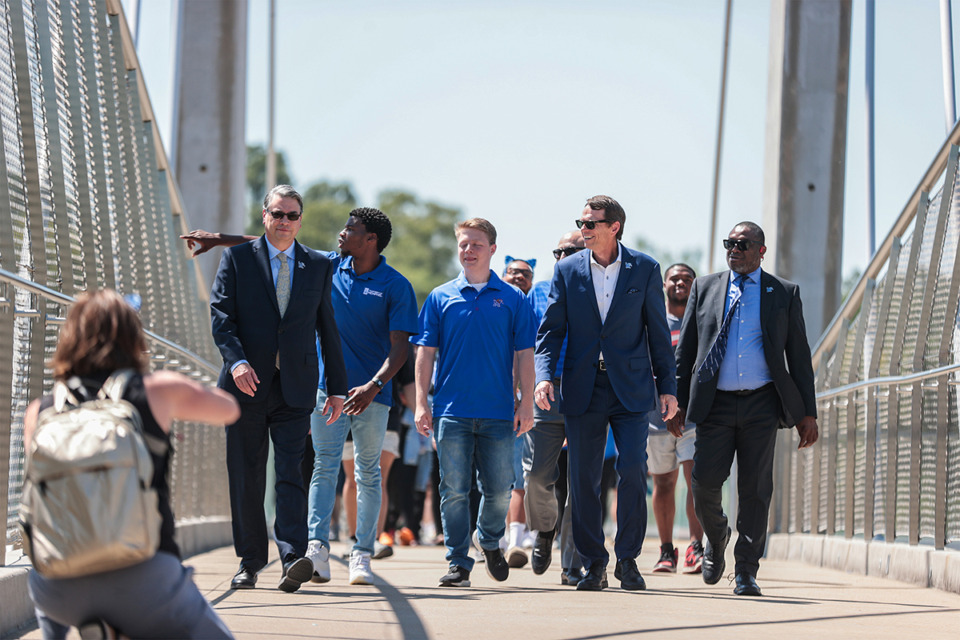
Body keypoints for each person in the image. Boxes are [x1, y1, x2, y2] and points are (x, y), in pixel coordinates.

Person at [185, 206, 418, 586]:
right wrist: (217, 240)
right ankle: (317, 550)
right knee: (323, 468)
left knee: (368, 473)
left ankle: (361, 554)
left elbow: (400, 349)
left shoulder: (395, 285)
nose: (342, 234)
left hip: (373, 395)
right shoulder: (329, 266)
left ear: (371, 240)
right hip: (327, 392)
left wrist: (374, 385)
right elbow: (276, 247)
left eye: (351, 229)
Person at [24, 289, 239, 639]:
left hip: (58, 589)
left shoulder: (41, 410)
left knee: (53, 575)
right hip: (145, 583)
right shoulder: (156, 390)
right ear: (134, 337)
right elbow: (229, 409)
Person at [534, 195, 677, 592]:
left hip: (631, 389)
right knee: (583, 480)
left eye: (591, 223)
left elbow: (658, 335)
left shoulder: (645, 268)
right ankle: (593, 563)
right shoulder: (566, 270)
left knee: (632, 469)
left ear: (614, 227)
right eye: (581, 223)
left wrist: (668, 388)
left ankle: (628, 561)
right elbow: (550, 332)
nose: (584, 230)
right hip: (583, 388)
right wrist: (544, 377)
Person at [209, 184, 347, 593]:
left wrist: (336, 387)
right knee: (247, 473)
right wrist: (235, 362)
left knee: (291, 472)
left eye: (292, 215)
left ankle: (292, 557)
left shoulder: (318, 265)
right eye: (277, 214)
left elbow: (328, 328)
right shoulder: (236, 259)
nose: (284, 221)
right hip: (245, 386)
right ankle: (250, 561)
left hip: (295, 387)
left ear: (300, 221)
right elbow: (221, 316)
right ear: (264, 216)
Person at [670, 221, 819, 597]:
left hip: (761, 403)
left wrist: (807, 413)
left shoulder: (783, 292)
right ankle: (716, 537)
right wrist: (675, 401)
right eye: (729, 243)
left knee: (755, 489)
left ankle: (746, 571)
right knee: (703, 484)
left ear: (761, 251)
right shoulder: (705, 288)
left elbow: (799, 357)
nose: (734, 249)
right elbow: (685, 350)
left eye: (743, 244)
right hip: (714, 403)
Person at [414, 218, 537, 587]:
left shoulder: (513, 299)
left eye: (476, 244)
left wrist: (526, 402)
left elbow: (525, 355)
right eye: (464, 244)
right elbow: (424, 353)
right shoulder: (440, 297)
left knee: (500, 488)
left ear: (493, 249)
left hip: (499, 412)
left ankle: (487, 538)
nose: (469, 250)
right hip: (451, 412)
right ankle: (457, 561)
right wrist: (422, 402)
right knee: (453, 490)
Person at [523, 230, 585, 585]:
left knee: (581, 483)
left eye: (572, 250)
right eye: (558, 251)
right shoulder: (539, 294)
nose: (563, 256)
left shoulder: (599, 289)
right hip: (546, 392)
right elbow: (526, 346)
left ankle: (572, 564)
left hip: (588, 393)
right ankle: (545, 530)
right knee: (537, 477)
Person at [647, 263, 704, 574]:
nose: (680, 283)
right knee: (664, 483)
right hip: (657, 419)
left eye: (687, 278)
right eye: (674, 278)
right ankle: (667, 551)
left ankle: (696, 547)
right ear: (664, 284)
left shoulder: (703, 322)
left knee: (696, 481)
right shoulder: (653, 322)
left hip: (694, 419)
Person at [501, 254, 537, 566]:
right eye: (512, 272)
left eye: (524, 274)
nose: (518, 277)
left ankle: (515, 537)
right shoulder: (492, 305)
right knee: (491, 476)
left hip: (527, 405)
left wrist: (526, 400)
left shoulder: (534, 311)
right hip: (492, 402)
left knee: (521, 475)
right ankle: (491, 534)